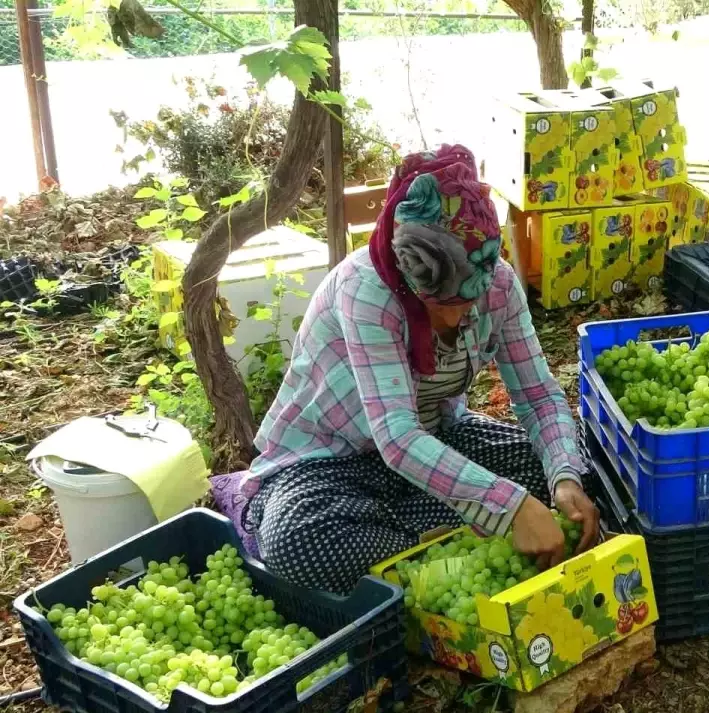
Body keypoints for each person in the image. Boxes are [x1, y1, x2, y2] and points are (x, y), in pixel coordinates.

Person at [239, 145, 600, 596]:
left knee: (584, 465)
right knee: (299, 541)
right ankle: (453, 552)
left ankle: (419, 562)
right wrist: (511, 508)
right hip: (331, 464)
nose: (454, 319)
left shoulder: (500, 284)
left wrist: (563, 478)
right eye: (438, 304)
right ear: (408, 275)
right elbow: (396, 438)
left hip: (434, 443)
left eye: (468, 302)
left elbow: (540, 398)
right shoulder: (365, 291)